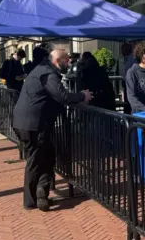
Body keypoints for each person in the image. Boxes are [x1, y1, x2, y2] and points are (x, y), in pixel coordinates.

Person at [12, 49, 93, 212]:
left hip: (29, 122)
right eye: (67, 60)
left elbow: (53, 98)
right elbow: (61, 96)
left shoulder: (42, 69)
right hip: (32, 124)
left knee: (47, 154)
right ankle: (30, 200)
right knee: (35, 160)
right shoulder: (48, 73)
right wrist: (81, 96)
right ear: (58, 61)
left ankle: (42, 188)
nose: (69, 63)